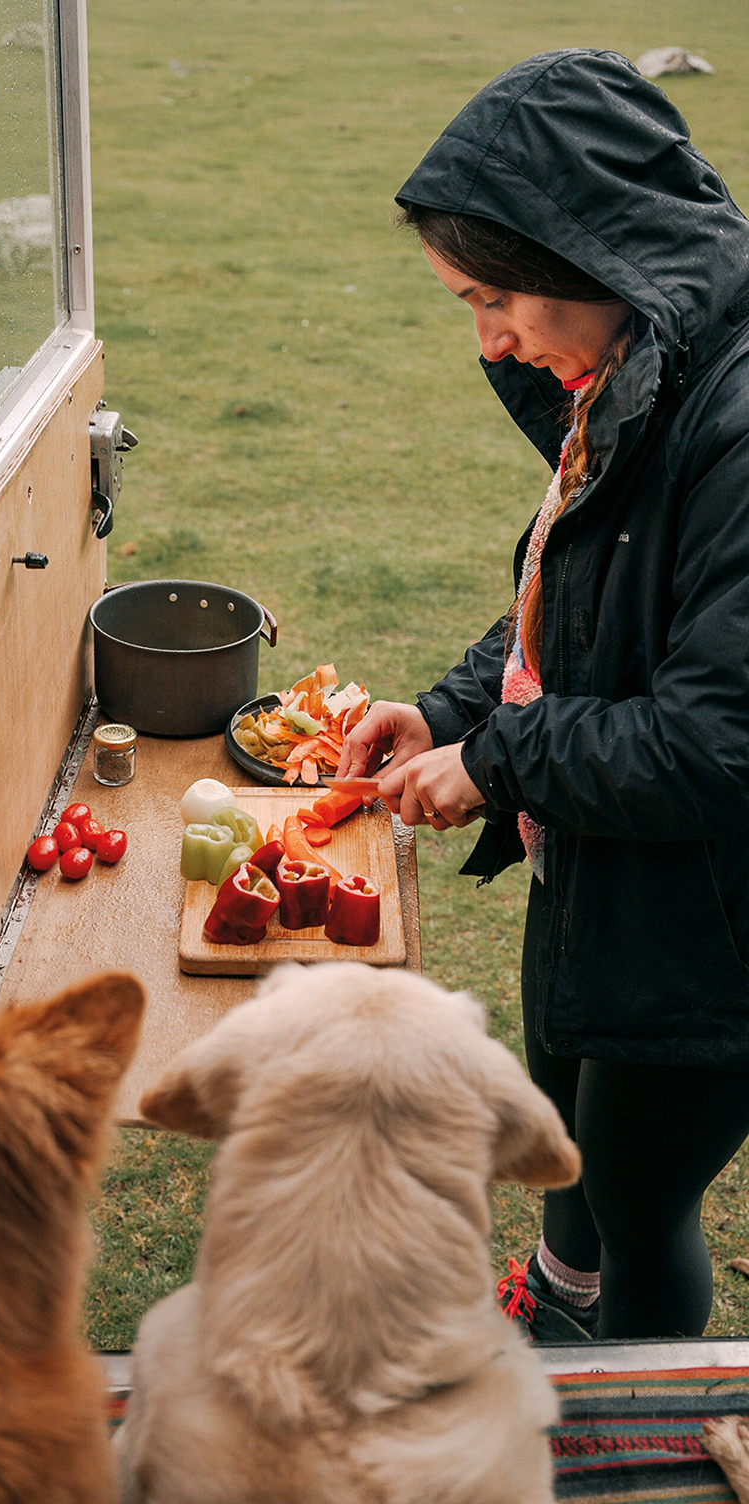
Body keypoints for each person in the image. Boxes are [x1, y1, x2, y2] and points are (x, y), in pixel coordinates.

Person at [338, 48, 749, 1342]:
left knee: (638, 1195)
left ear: (595, 251)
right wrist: (457, 711)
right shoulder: (628, 377)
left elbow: (718, 741)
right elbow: (581, 598)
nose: (490, 339)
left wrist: (500, 759)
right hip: (608, 868)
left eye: (494, 296)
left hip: (711, 928)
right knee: (565, 1112)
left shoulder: (730, 428)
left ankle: (631, 1421)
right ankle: (559, 1298)